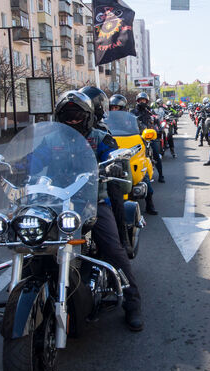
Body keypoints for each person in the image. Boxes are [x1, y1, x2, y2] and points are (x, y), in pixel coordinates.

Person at [53, 90, 144, 332]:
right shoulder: (52, 140)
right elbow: (36, 158)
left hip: (92, 202)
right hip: (57, 203)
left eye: (77, 116)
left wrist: (115, 165)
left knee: (114, 249)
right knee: (35, 244)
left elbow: (113, 156)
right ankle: (22, 300)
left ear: (88, 117)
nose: (73, 121)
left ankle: (133, 304)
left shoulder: (101, 138)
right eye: (67, 116)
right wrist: (20, 165)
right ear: (59, 117)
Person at [131, 91, 165, 183]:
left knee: (156, 154)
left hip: (148, 137)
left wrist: (159, 128)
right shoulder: (133, 112)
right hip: (136, 136)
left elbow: (156, 119)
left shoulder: (149, 111)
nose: (142, 102)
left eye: (144, 100)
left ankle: (161, 175)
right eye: (140, 100)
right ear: (137, 101)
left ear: (147, 101)